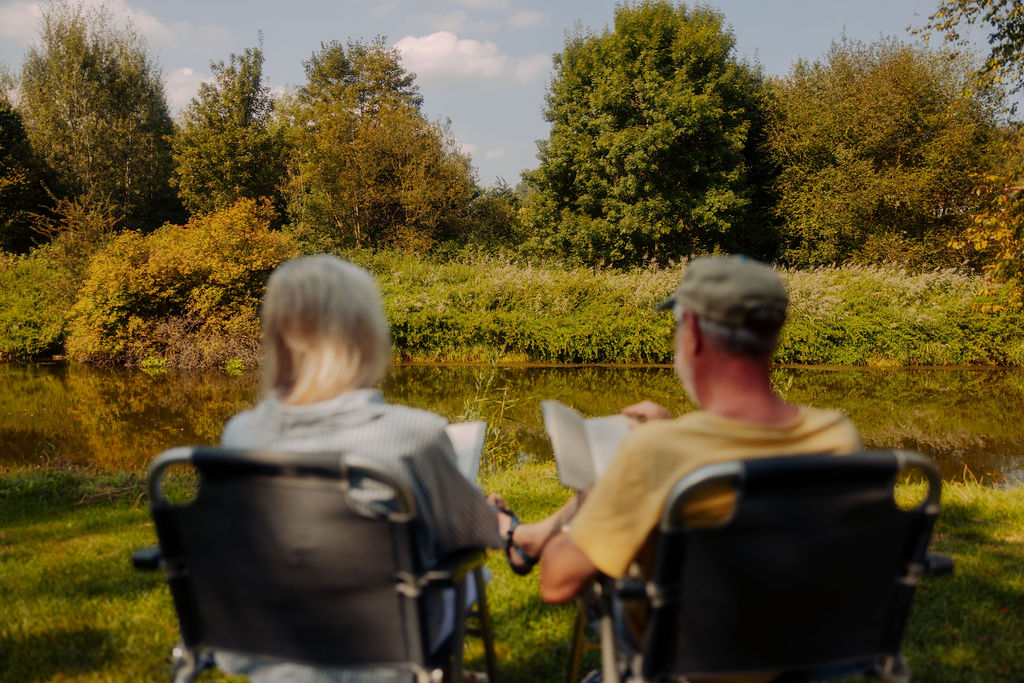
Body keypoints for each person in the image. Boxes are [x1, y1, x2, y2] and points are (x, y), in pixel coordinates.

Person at [217, 254, 517, 682]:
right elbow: (472, 531)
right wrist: (500, 519)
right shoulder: (413, 433)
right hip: (382, 649)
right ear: (364, 332)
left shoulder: (240, 435)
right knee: (459, 567)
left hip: (272, 642)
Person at [503, 255, 862, 608]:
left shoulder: (655, 450)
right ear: (778, 327)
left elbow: (556, 583)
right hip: (804, 648)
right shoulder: (837, 434)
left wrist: (597, 493)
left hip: (692, 656)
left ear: (693, 333)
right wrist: (673, 432)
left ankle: (529, 540)